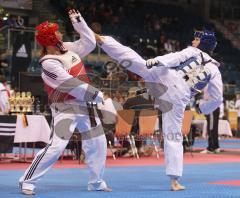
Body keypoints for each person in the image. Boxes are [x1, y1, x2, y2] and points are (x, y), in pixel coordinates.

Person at [95, 29, 223, 191]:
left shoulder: (193, 51)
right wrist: (202, 107)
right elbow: (218, 98)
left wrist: (157, 61)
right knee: (174, 135)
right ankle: (174, 180)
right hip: (178, 96)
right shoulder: (215, 71)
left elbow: (175, 57)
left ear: (202, 43)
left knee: (137, 62)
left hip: (166, 78)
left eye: (196, 40)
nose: (193, 41)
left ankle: (104, 42)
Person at [19, 9, 111, 195]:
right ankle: (27, 180)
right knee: (56, 147)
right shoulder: (48, 62)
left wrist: (78, 22)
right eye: (56, 32)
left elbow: (89, 42)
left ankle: (96, 182)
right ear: (50, 39)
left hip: (86, 105)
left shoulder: (67, 48)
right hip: (66, 107)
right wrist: (99, 96)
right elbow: (71, 84)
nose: (60, 33)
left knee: (98, 143)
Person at [200, 86, 221, 154]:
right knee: (213, 128)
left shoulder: (211, 83)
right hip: (212, 106)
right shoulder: (211, 82)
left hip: (212, 106)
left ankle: (211, 148)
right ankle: (216, 147)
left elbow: (208, 96)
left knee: (211, 128)